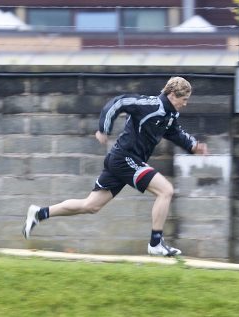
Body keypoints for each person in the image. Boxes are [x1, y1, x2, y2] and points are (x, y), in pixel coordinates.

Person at [22, 76, 208, 256]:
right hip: (125, 158)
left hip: (122, 160)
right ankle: (156, 244)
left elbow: (175, 133)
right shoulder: (150, 105)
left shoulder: (170, 114)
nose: (185, 104)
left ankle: (40, 213)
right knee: (165, 190)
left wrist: (193, 146)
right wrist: (104, 128)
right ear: (173, 95)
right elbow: (118, 102)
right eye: (184, 99)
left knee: (91, 205)